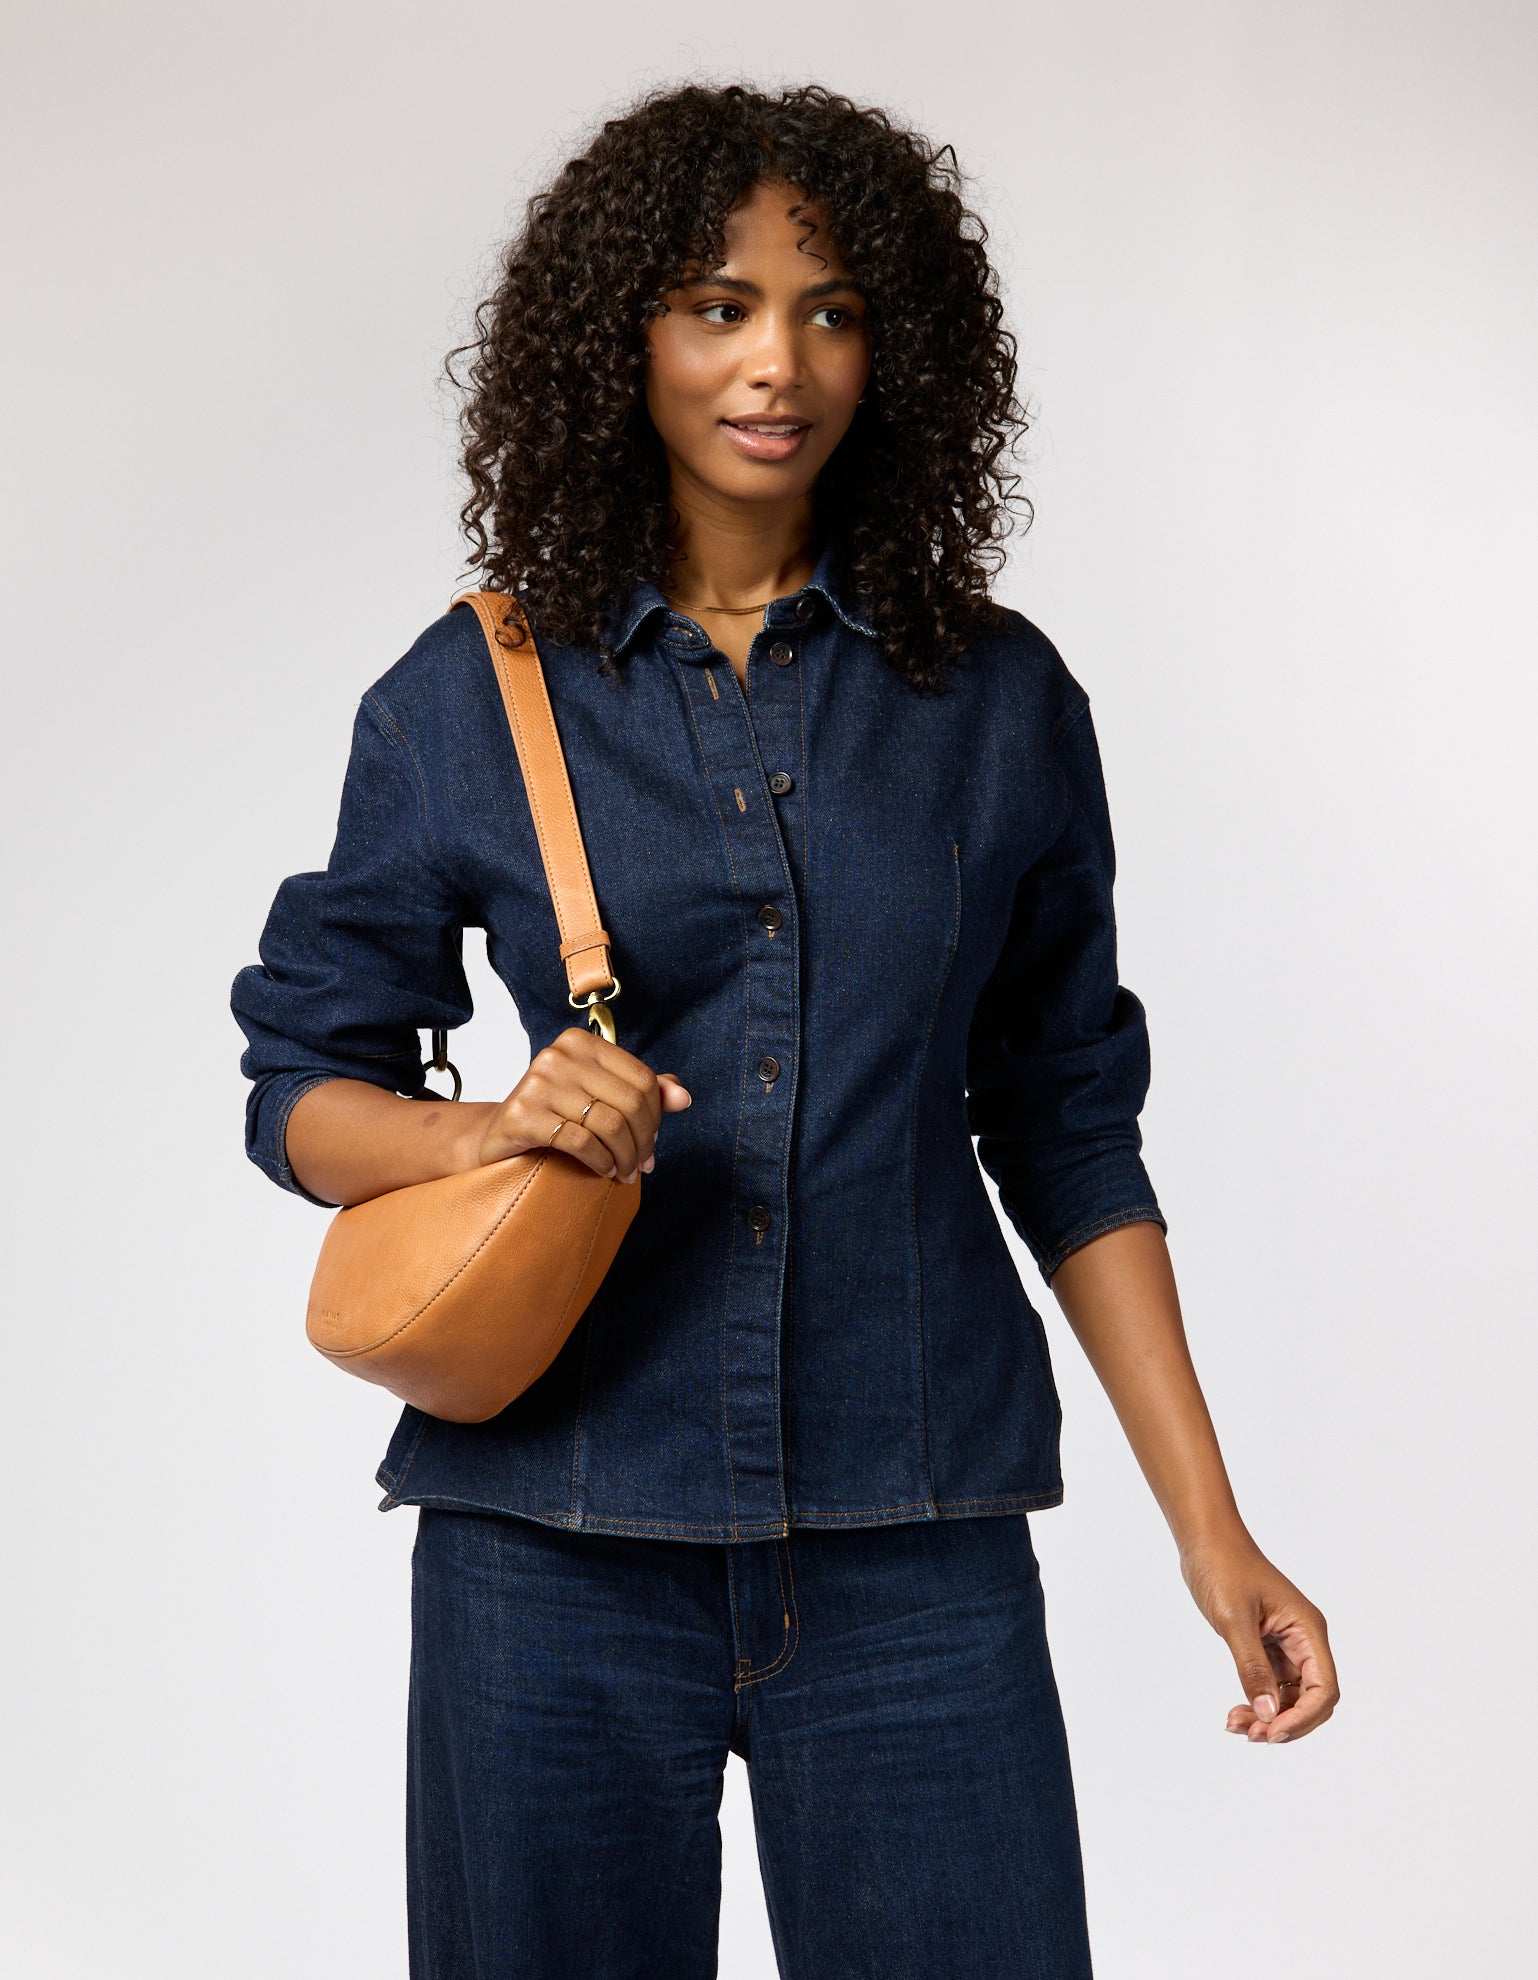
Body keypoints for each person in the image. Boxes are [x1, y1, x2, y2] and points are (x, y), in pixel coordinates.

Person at [231, 81, 1339, 1980]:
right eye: (716, 305)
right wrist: (480, 1132)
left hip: (914, 1535)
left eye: (829, 310)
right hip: (551, 1541)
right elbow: (303, 1096)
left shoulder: (993, 704)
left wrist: (1210, 1534)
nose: (778, 363)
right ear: (620, 341)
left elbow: (1067, 1126)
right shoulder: (465, 697)